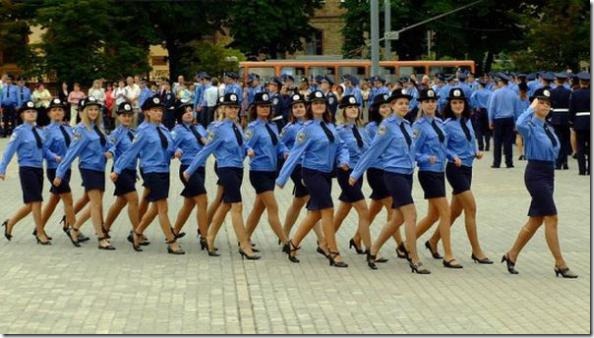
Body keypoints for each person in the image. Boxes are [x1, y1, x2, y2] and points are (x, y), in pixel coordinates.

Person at [350, 88, 430, 274]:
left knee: (397, 218)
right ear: (392, 106)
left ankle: (373, 250)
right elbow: (373, 151)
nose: (404, 106)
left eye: (406, 103)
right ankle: (414, 258)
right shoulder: (387, 126)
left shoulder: (408, 125)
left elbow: (412, 151)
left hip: (407, 174)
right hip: (393, 174)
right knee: (411, 215)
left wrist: (425, 158)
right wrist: (356, 173)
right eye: (400, 103)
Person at [502, 91, 577, 278]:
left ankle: (511, 255)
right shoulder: (530, 126)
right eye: (541, 102)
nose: (544, 106)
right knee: (552, 217)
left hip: (549, 173)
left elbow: (556, 149)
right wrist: (530, 108)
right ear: (535, 104)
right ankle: (560, 263)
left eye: (547, 103)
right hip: (535, 173)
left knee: (535, 221)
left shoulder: (548, 127)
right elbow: (518, 124)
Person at [276, 90, 350, 268]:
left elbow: (341, 147)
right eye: (315, 103)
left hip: (327, 173)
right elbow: (295, 154)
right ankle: (333, 251)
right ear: (311, 106)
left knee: (316, 212)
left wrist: (344, 160)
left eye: (322, 103)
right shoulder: (306, 129)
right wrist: (282, 178)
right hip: (311, 173)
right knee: (328, 210)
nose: (319, 105)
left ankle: (293, 244)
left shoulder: (331, 126)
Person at [183, 93, 259, 259]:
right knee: (236, 206)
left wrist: (247, 149)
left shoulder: (237, 126)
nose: (233, 110)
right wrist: (189, 171)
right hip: (226, 169)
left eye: (235, 107)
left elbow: (242, 143)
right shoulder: (217, 128)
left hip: (238, 168)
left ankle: (209, 238)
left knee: (225, 205)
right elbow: (206, 151)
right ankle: (244, 245)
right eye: (230, 107)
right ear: (223, 109)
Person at [425, 88, 492, 264]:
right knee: (471, 208)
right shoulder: (446, 125)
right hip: (455, 169)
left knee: (454, 212)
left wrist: (476, 150)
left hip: (468, 168)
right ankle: (476, 251)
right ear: (449, 105)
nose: (458, 105)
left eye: (460, 102)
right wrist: (452, 156)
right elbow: (442, 147)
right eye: (454, 103)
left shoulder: (467, 121)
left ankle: (432, 241)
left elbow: (473, 140)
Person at [111, 96, 183, 254]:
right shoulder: (143, 131)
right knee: (163, 207)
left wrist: (176, 151)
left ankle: (137, 232)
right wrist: (117, 169)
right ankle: (171, 241)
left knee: (156, 208)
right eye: (155, 110)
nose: (159, 113)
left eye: (160, 111)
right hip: (151, 170)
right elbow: (131, 152)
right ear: (147, 112)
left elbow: (168, 149)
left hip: (164, 170)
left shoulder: (163, 129)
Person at [53, 96, 114, 250]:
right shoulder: (81, 130)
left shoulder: (98, 127)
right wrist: (59, 173)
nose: (93, 112)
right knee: (96, 203)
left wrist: (111, 152)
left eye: (96, 109)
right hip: (88, 168)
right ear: (84, 112)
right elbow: (71, 154)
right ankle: (101, 237)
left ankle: (74, 229)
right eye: (90, 109)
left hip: (100, 168)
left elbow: (108, 145)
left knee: (96, 203)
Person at [411, 88, 461, 269]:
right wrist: (425, 158)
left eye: (433, 101)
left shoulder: (440, 123)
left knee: (433, 215)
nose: (430, 104)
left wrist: (452, 155)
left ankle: (406, 244)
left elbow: (443, 147)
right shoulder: (418, 126)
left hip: (440, 171)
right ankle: (448, 255)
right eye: (427, 101)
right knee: (445, 212)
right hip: (428, 172)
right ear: (421, 105)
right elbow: (412, 151)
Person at [279, 93, 328, 255]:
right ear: (291, 110)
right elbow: (279, 143)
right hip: (297, 168)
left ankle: (284, 234)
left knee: (298, 202)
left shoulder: (312, 124)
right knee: (312, 202)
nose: (298, 109)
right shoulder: (289, 128)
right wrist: (286, 151)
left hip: (310, 167)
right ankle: (322, 240)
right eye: (295, 107)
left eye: (301, 106)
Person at [332, 95, 377, 269]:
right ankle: (370, 250)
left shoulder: (361, 129)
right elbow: (335, 149)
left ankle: (325, 241)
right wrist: (340, 162)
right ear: (342, 110)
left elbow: (370, 149)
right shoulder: (338, 130)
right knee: (364, 211)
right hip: (346, 173)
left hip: (359, 174)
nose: (353, 109)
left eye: (355, 107)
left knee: (343, 210)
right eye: (349, 107)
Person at [243, 92, 291, 251]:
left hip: (271, 171)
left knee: (258, 209)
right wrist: (248, 150)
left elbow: (278, 144)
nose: (265, 109)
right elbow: (244, 144)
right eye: (261, 106)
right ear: (255, 109)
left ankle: (244, 239)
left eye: (267, 107)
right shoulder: (253, 128)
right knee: (273, 207)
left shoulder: (272, 126)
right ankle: (286, 242)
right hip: (259, 172)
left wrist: (284, 150)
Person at [0, 101, 50, 244]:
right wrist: (2, 169)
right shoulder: (19, 131)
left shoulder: (40, 130)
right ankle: (40, 232)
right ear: (22, 114)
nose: (31, 113)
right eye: (28, 111)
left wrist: (56, 158)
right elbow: (9, 151)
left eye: (33, 111)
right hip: (26, 169)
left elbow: (44, 150)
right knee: (37, 201)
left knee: (30, 205)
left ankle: (10, 223)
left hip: (39, 169)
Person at [100, 102, 141, 246]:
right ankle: (137, 232)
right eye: (124, 115)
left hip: (130, 171)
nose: (127, 118)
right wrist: (110, 152)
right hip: (119, 171)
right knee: (133, 199)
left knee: (121, 202)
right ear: (118, 116)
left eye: (129, 115)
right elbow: (111, 146)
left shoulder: (135, 133)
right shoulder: (115, 134)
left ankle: (105, 227)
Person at [170, 102, 209, 250]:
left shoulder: (199, 128)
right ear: (180, 116)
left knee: (189, 204)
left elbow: (208, 142)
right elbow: (170, 144)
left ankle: (174, 232)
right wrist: (177, 149)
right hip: (188, 169)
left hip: (202, 168)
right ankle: (205, 237)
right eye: (185, 112)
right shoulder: (178, 130)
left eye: (190, 111)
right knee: (202, 201)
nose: (188, 113)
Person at [39, 98, 78, 243]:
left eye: (60, 110)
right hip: (54, 170)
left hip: (67, 169)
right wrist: (54, 157)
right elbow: (43, 149)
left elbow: (76, 146)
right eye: (54, 110)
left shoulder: (69, 128)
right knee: (68, 200)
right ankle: (74, 229)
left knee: (54, 201)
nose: (57, 112)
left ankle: (39, 227)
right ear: (49, 113)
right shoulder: (47, 131)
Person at [488, 73, 521, 168]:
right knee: (508, 141)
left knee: (497, 141)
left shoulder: (496, 93)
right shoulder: (513, 93)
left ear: (501, 82)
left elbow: (492, 108)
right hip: (509, 119)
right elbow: (516, 109)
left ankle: (496, 163)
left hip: (498, 119)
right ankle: (509, 162)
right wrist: (516, 122)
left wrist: (490, 120)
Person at [568, 71, 590, 175]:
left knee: (580, 147)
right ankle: (590, 169)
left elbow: (572, 109)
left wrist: (571, 121)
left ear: (581, 82)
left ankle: (582, 170)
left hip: (579, 122)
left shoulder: (575, 93)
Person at [549, 72, 572, 170]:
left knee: (557, 140)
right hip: (566, 116)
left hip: (556, 116)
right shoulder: (568, 91)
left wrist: (549, 116)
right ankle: (565, 161)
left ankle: (558, 162)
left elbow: (550, 105)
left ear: (557, 80)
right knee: (566, 140)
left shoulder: (552, 91)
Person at [470, 79, 492, 151]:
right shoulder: (490, 92)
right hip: (487, 110)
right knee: (487, 129)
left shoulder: (477, 92)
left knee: (478, 129)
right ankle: (487, 145)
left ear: (480, 85)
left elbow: (472, 98)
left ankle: (480, 146)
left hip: (479, 110)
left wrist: (476, 105)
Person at [515, 82, 530, 160]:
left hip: (518, 119)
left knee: (518, 136)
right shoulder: (528, 99)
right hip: (527, 120)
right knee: (527, 138)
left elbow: (514, 110)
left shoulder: (516, 99)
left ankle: (520, 154)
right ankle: (527, 154)